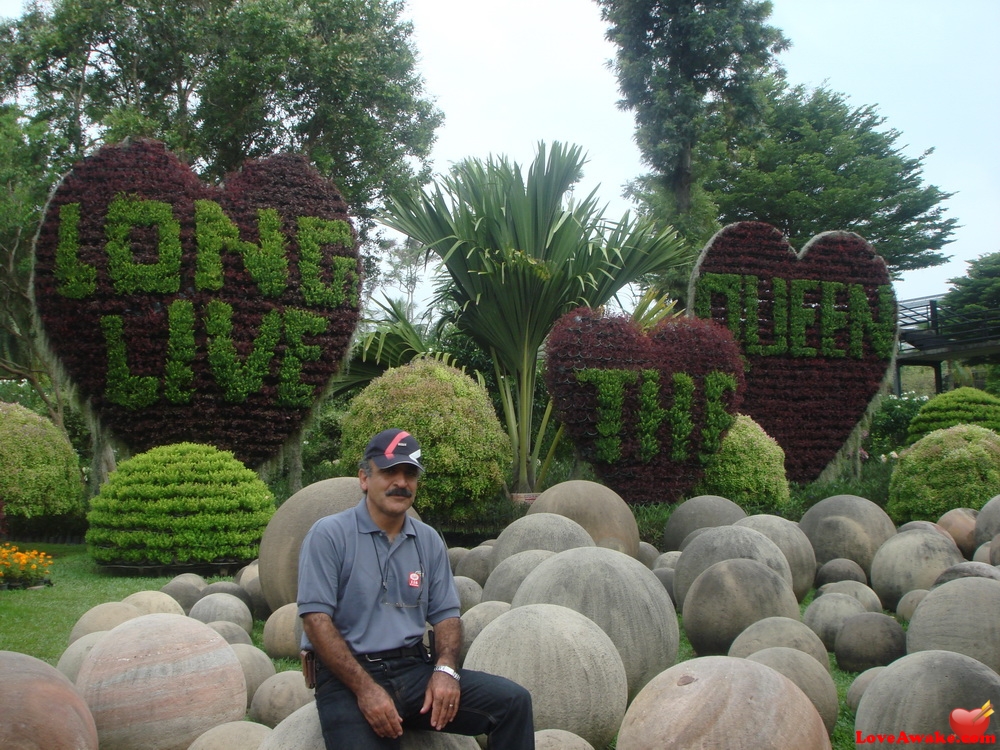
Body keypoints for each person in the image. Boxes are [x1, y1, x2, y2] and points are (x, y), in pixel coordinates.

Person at [297, 428, 535, 749]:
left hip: (413, 671)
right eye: (389, 472)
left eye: (409, 474)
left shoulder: (428, 540)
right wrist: (366, 691)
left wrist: (446, 669)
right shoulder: (329, 535)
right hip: (347, 679)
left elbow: (447, 616)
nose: (401, 482)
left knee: (513, 703)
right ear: (364, 479)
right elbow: (315, 620)